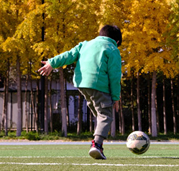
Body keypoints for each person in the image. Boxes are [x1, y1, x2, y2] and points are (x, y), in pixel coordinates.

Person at [38, 25, 122, 159]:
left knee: (100, 114)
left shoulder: (85, 45)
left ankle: (98, 137)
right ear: (117, 41)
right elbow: (115, 76)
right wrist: (116, 97)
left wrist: (51, 63)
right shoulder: (112, 49)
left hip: (82, 84)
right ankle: (97, 145)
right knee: (106, 115)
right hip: (99, 84)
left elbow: (69, 55)